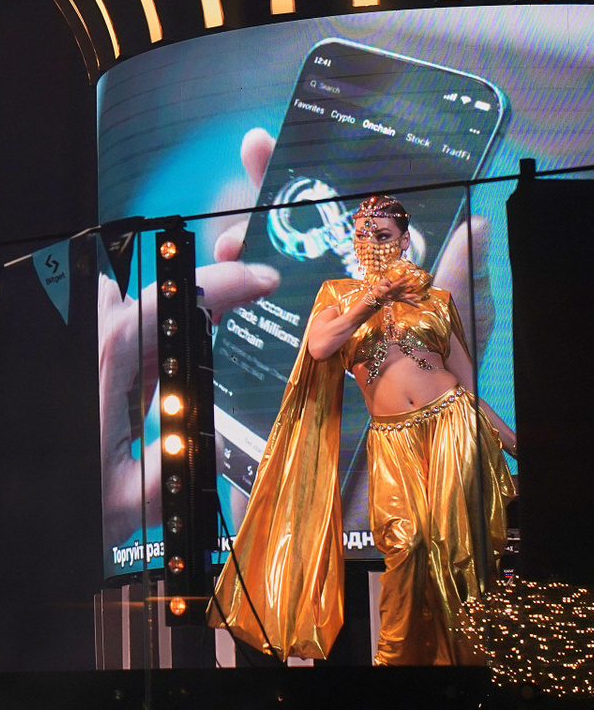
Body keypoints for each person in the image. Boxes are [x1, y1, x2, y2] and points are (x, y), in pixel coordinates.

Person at [209, 194, 516, 665]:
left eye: (384, 235)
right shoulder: (338, 294)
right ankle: (393, 669)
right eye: (362, 235)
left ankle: (463, 672)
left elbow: (468, 390)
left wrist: (517, 445)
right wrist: (375, 298)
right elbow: (319, 346)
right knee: (406, 544)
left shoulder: (436, 301)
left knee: (458, 555)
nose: (372, 243)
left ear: (405, 241)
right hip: (392, 438)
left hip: (452, 425)